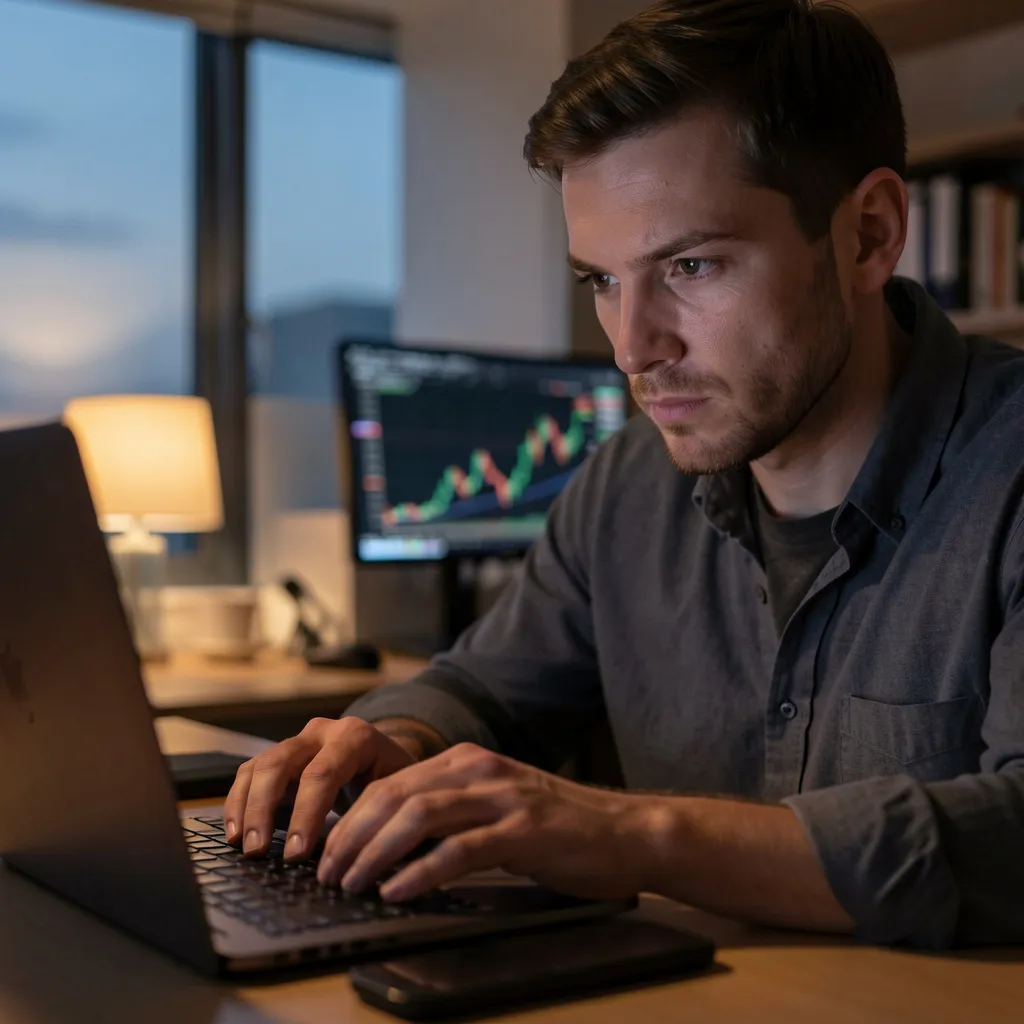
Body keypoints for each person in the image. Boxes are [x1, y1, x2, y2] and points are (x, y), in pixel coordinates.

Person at [225, 0, 1024, 948]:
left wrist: (635, 833)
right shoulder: (627, 486)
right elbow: (481, 689)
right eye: (600, 280)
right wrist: (393, 741)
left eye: (690, 264)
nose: (632, 350)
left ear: (869, 234)